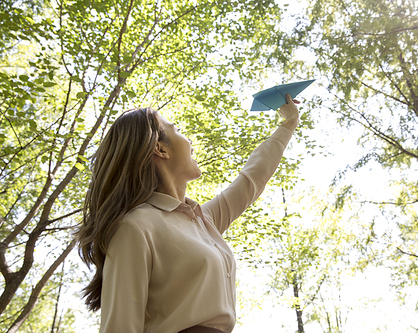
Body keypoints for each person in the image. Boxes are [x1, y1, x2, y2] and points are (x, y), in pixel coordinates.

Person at [76, 93, 300, 333]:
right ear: (160, 148)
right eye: (177, 130)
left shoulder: (202, 221)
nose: (189, 140)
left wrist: (288, 124)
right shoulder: (135, 227)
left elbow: (250, 180)